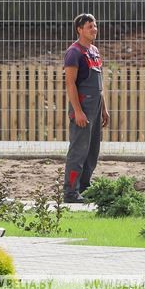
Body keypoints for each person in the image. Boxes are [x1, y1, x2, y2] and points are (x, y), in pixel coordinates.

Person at [63, 13, 110, 203]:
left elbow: (99, 84)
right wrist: (78, 111)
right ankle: (70, 192)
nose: (94, 29)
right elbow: (70, 84)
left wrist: (104, 108)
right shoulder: (74, 52)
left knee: (92, 150)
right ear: (79, 30)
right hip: (82, 106)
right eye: (90, 26)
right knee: (78, 151)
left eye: (95, 25)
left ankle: (84, 187)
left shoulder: (94, 51)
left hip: (96, 106)